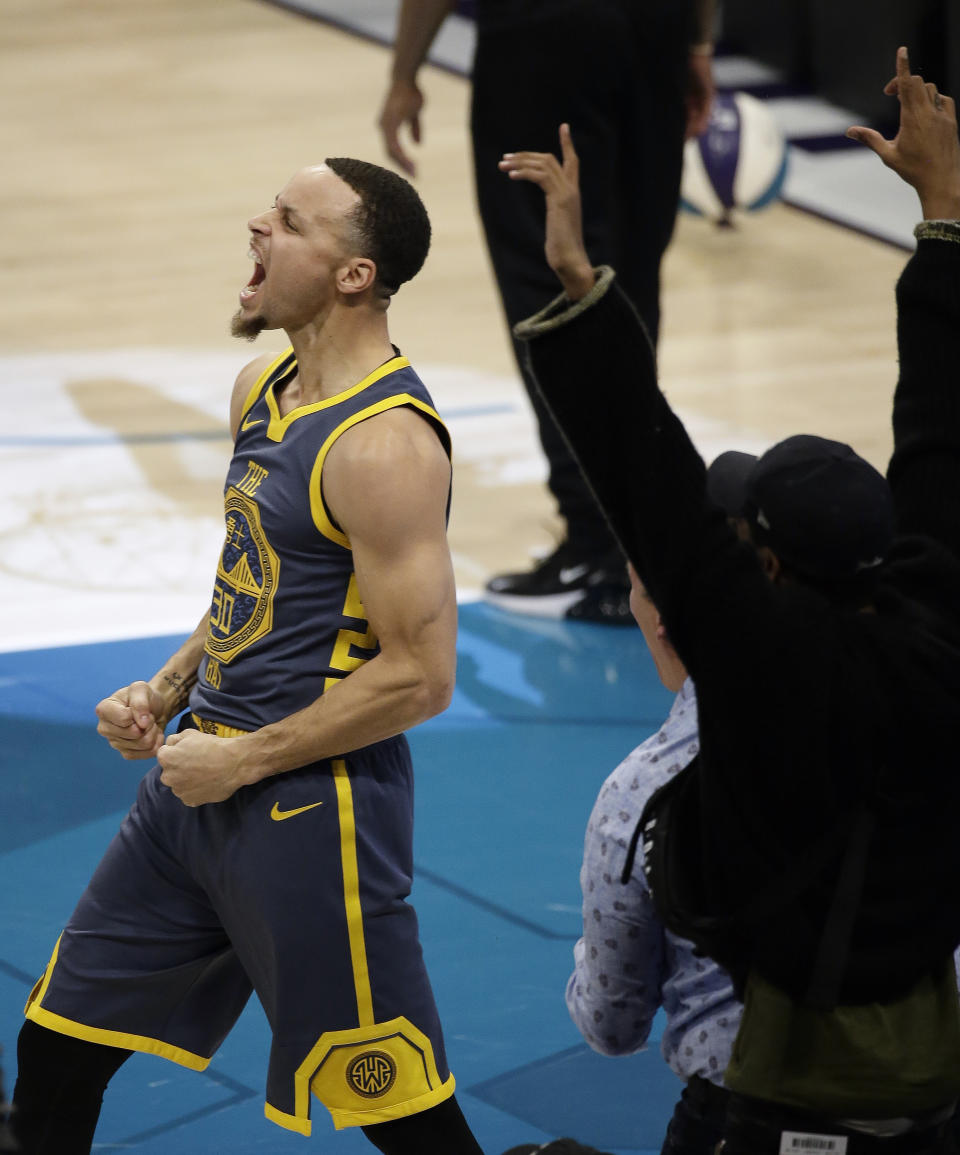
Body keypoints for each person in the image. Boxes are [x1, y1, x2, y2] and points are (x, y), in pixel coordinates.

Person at [499, 46, 960, 1154]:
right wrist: (944, 212)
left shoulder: (753, 681)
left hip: (764, 1115)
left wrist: (579, 287)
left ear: (762, 568)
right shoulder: (937, 634)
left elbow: (646, 478)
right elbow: (942, 438)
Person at [7, 159, 483, 1154]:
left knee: (404, 1118)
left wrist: (248, 757)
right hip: (195, 786)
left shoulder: (386, 446)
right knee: (56, 1051)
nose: (255, 228)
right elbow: (253, 585)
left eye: (287, 221)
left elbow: (421, 675)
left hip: (315, 814)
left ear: (354, 274)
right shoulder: (261, 384)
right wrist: (168, 689)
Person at [377, 0, 715, 625]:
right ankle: (642, 540)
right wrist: (696, 40)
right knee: (630, 277)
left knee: (548, 273)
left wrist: (404, 73)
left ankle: (600, 545)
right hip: (657, 27)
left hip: (544, 34)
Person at [502, 571, 740, 1155]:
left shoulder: (647, 790)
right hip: (930, 1096)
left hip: (746, 1116)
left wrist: (589, 956)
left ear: (660, 621)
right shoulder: (916, 720)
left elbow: (612, 1024)